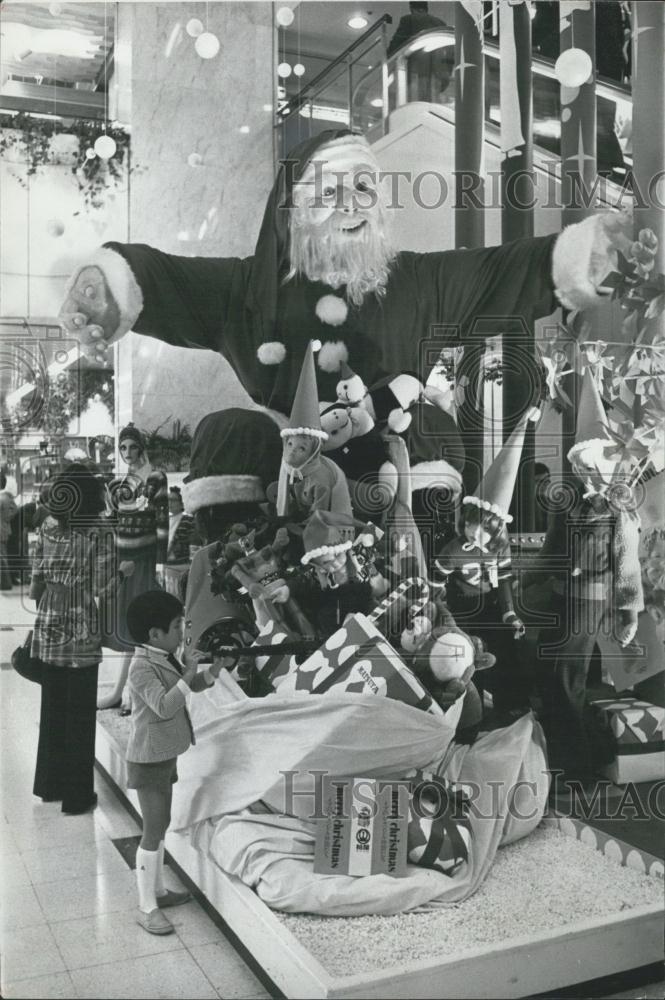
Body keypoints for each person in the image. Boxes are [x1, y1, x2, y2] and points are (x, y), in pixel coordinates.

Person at [60, 129, 637, 426]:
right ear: (292, 208)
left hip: (401, 497)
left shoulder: (415, 281)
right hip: (292, 502)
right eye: (331, 191)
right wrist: (108, 288)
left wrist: (593, 252)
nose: (353, 204)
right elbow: (160, 278)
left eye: (363, 188)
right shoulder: (246, 291)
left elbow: (508, 269)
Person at [30, 463, 134, 813]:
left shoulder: (47, 524)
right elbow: (102, 590)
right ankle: (76, 797)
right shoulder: (99, 530)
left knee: (54, 705)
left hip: (49, 620)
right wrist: (123, 573)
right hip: (80, 626)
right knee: (79, 713)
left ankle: (49, 785)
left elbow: (37, 574)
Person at [124, 590, 224, 935]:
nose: (183, 630)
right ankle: (146, 906)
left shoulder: (164, 655)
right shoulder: (141, 667)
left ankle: (159, 890)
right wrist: (188, 671)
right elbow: (165, 705)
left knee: (162, 822)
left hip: (164, 755)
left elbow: (191, 686)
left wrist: (213, 672)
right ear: (155, 633)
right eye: (178, 625)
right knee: (152, 830)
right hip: (148, 760)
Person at [98, 424, 161, 711]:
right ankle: (122, 691)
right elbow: (111, 521)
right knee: (127, 624)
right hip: (124, 558)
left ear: (141, 447)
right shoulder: (118, 483)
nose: (127, 453)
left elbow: (163, 522)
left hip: (146, 559)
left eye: (132, 447)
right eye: (123, 447)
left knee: (142, 625)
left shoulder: (155, 477)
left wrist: (161, 562)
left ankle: (132, 693)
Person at [0, 470, 18, 590]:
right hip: (5, 529)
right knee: (3, 556)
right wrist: (7, 519)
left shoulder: (3, 497)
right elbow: (15, 510)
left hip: (1, 530)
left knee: (2, 557)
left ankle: (6, 583)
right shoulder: (7, 497)